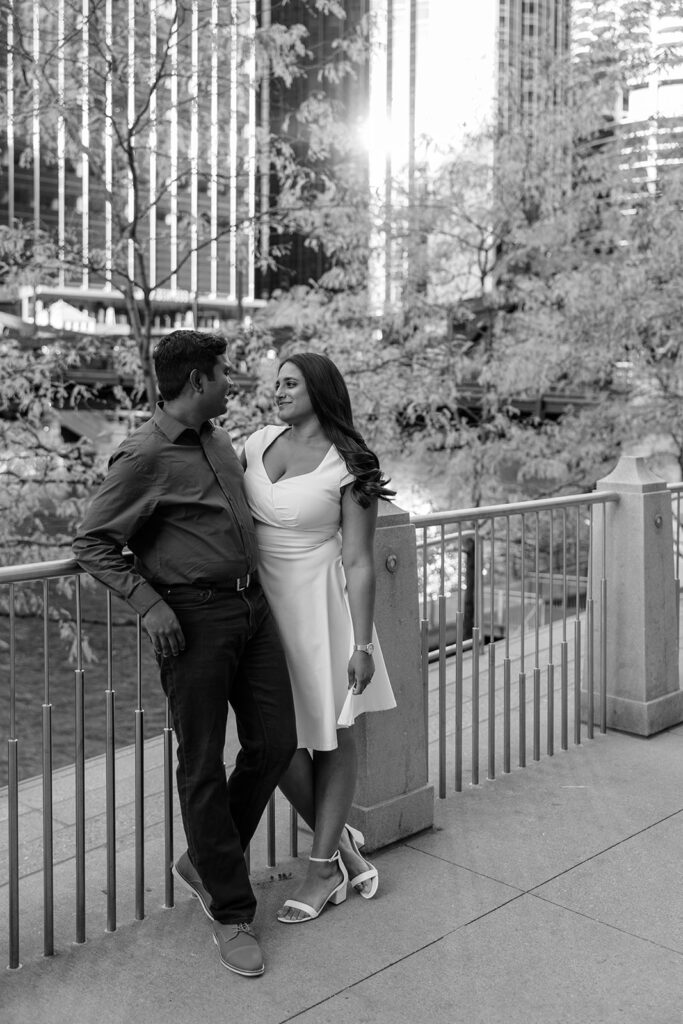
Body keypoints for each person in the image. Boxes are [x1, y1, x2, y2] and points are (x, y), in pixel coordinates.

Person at [72, 329, 296, 977]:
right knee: (200, 762)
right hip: (191, 619)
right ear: (197, 381)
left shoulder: (219, 438)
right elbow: (91, 540)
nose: (233, 381)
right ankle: (230, 912)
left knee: (275, 742)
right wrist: (149, 603)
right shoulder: (143, 456)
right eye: (225, 372)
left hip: (251, 609)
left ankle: (205, 857)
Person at [241, 351, 397, 924]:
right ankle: (345, 850)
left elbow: (358, 561)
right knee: (273, 742)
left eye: (290, 382)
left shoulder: (350, 463)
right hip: (261, 613)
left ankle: (323, 864)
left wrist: (362, 645)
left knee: (332, 735)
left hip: (321, 610)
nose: (277, 390)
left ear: (320, 389)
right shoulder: (256, 442)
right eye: (275, 382)